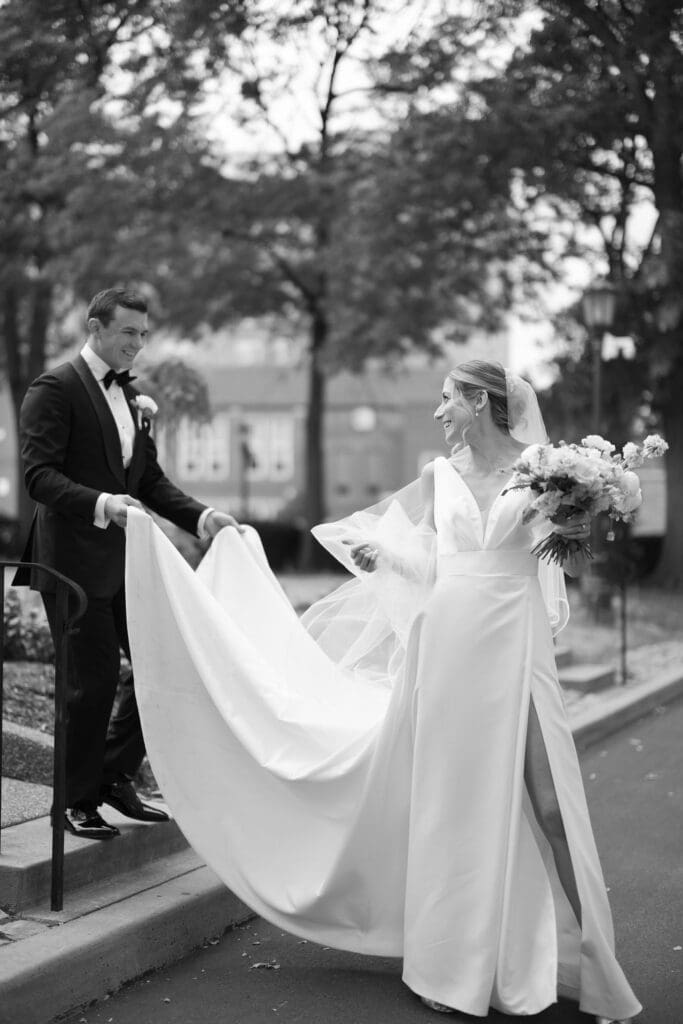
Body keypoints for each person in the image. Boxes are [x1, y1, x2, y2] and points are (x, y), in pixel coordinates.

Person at [124, 361, 640, 1023]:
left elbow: (559, 562)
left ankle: (596, 966)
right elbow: (430, 560)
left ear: (480, 402)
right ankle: (453, 964)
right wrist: (385, 558)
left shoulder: (547, 467)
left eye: (447, 399)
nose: (439, 412)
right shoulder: (438, 475)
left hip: (516, 642)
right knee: (451, 807)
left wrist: (579, 524)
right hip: (448, 646)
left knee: (548, 802)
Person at [14, 287, 241, 840]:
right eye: (128, 333)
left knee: (165, 665)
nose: (138, 345)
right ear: (95, 328)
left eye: (143, 334)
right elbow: (38, 476)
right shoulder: (55, 389)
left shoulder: (134, 401)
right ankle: (74, 801)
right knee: (89, 683)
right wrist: (103, 504)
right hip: (69, 565)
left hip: (127, 564)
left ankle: (114, 776)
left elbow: (149, 483)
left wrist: (204, 517)